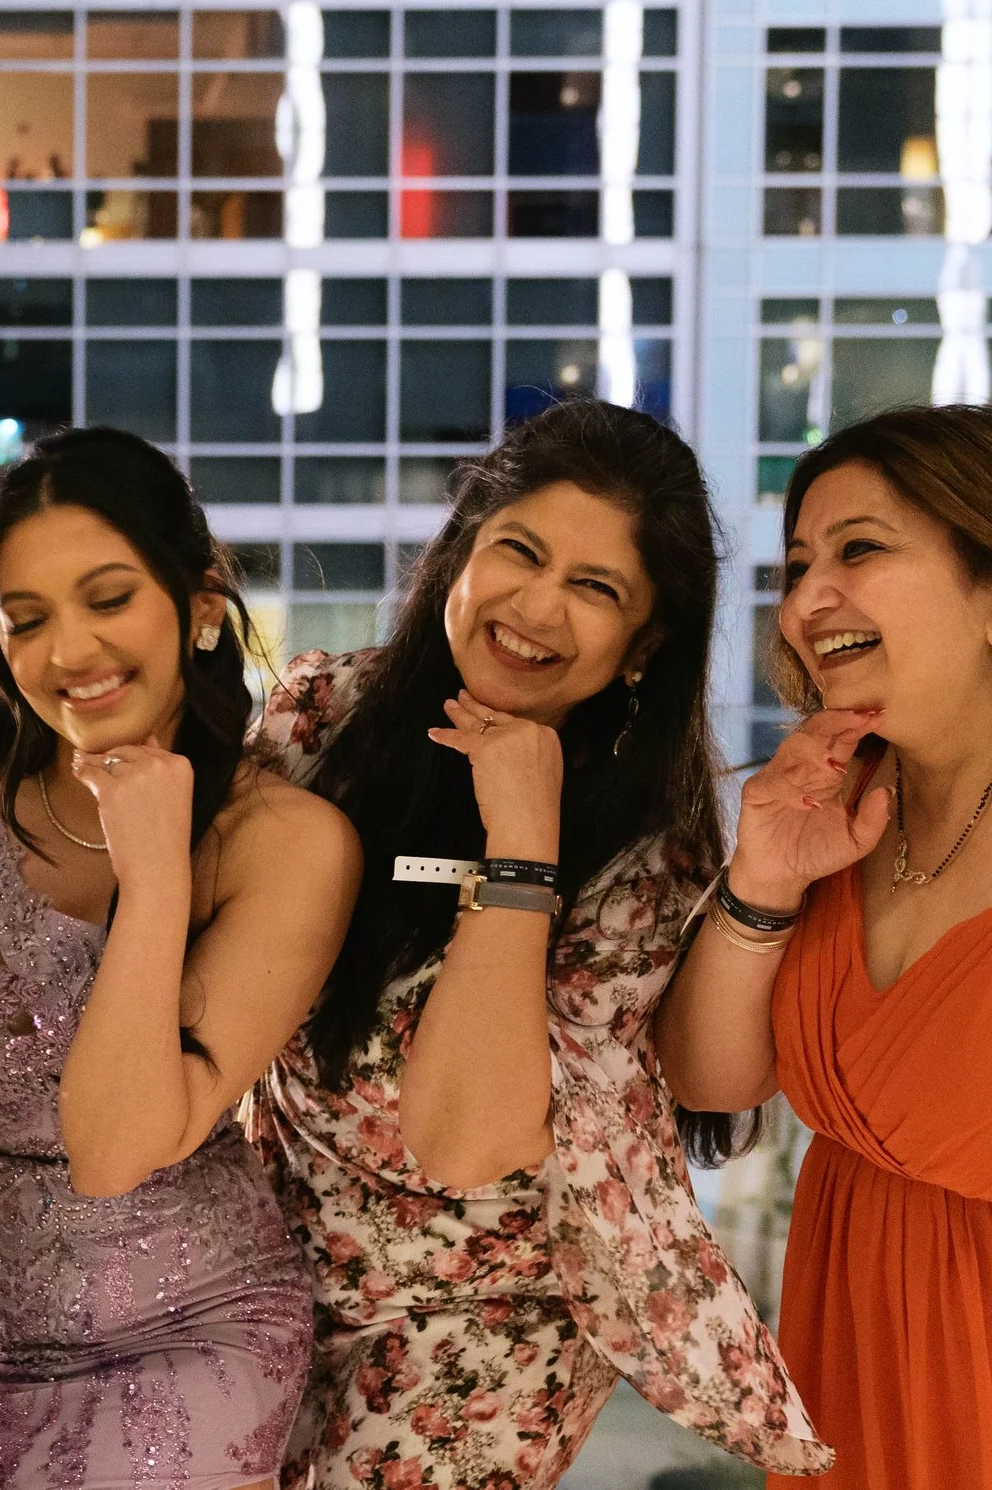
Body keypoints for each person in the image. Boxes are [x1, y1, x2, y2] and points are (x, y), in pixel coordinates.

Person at [232, 401, 829, 1487]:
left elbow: (467, 1137)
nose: (536, 606)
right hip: (258, 1274)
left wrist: (521, 847)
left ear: (643, 642)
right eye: (519, 550)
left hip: (479, 1325)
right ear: (463, 546)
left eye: (595, 589)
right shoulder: (323, 717)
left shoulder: (653, 853)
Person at [0, 428, 356, 1489]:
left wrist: (158, 875)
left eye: (108, 598)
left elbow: (119, 1143)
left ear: (201, 604)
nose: (68, 648)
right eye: (24, 618)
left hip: (185, 1325)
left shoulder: (286, 841)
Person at [655, 404, 992, 1490]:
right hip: (848, 1363)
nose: (808, 597)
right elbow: (711, 1077)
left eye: (860, 548)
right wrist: (763, 879)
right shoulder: (840, 802)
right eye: (798, 562)